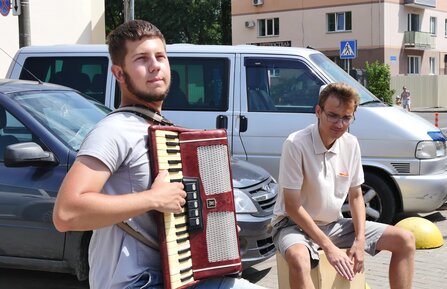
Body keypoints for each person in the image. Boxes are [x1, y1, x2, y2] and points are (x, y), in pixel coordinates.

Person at [53, 20, 266, 289]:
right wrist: (152, 198)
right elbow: (66, 213)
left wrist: (215, 232)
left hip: (174, 277)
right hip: (135, 282)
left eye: (160, 57)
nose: (155, 65)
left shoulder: (159, 128)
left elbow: (171, 219)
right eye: (141, 59)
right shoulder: (113, 130)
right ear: (119, 73)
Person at [271, 83, 415, 289]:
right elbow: (292, 206)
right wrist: (330, 248)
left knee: (405, 240)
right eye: (333, 115)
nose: (339, 124)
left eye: (346, 118)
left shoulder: (351, 143)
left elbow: (356, 196)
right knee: (299, 260)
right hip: (293, 225)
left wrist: (360, 240)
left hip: (333, 223)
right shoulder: (295, 144)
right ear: (318, 111)